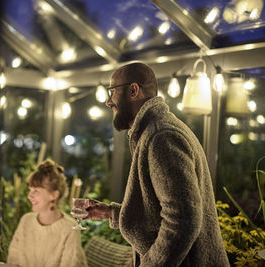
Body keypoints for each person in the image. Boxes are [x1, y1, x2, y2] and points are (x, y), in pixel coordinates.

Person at [86, 62, 230, 267]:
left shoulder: (161, 136)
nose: (109, 102)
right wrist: (113, 213)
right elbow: (159, 210)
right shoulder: (154, 131)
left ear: (133, 90)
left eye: (112, 92)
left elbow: (182, 221)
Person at [7, 159, 87, 267]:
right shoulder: (26, 220)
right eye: (30, 190)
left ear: (54, 195)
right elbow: (12, 261)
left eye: (36, 191)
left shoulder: (69, 228)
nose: (29, 196)